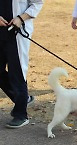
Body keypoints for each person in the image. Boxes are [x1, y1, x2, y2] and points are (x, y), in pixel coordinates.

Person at [0, 0, 43, 128]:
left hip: (16, 32)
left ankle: (20, 114)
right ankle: (23, 99)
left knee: (17, 72)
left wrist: (21, 18)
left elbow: (37, 3)